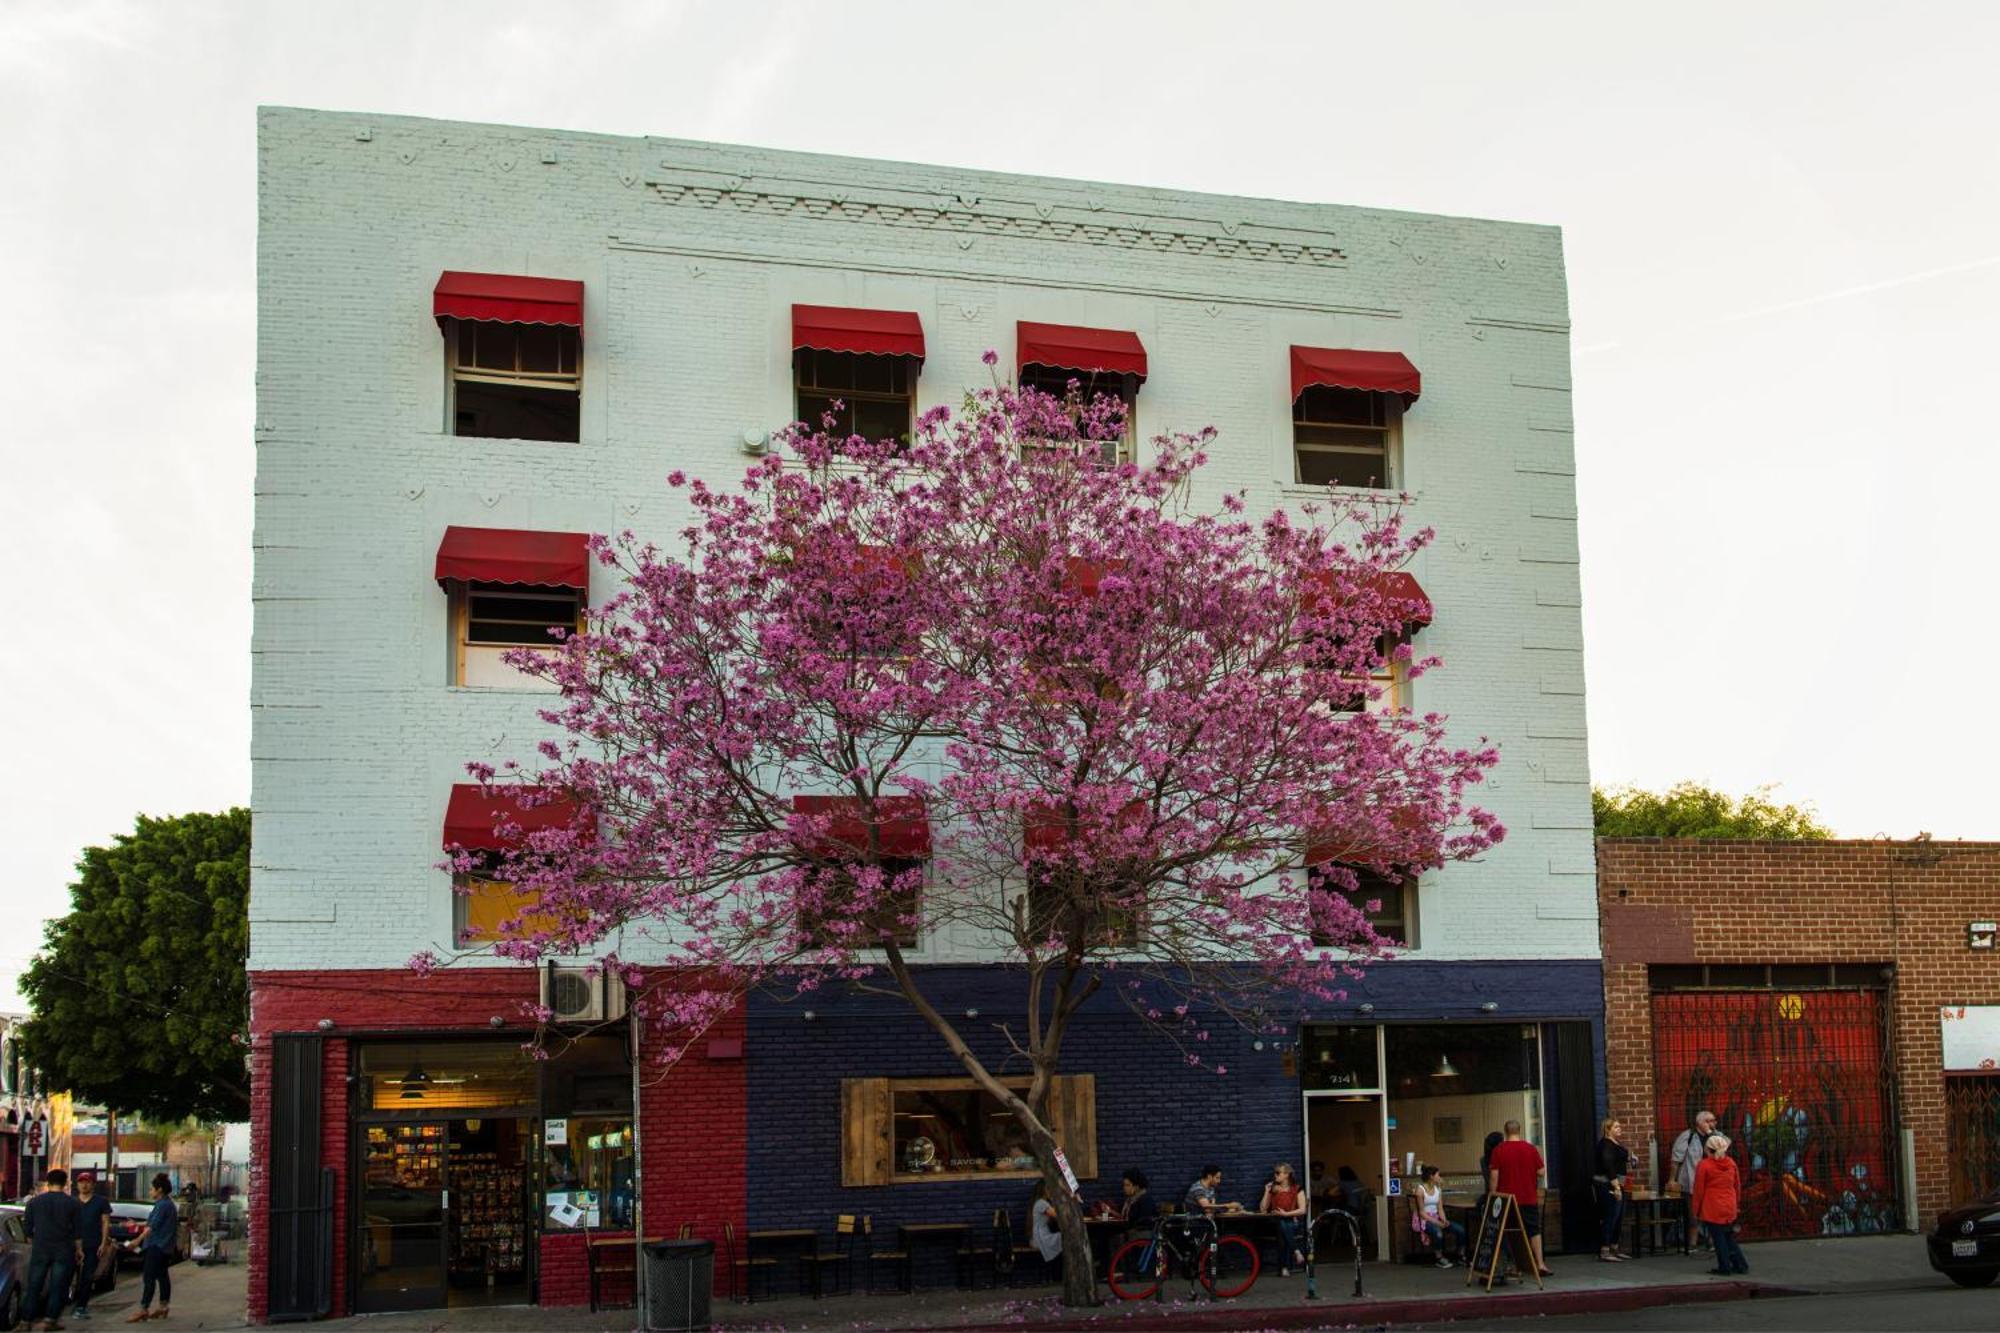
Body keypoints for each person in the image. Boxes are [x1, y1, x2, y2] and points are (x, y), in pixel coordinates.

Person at [1487, 1119, 1552, 1277]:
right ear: (1519, 1131)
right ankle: (1540, 1264)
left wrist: (1492, 1195)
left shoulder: (1498, 1150)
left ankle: (1511, 1265)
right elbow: (1542, 1171)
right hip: (1528, 1197)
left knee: (1506, 1232)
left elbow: (1494, 1176)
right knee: (1533, 1230)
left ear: (1506, 1132)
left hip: (1506, 1199)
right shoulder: (1530, 1149)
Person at [23, 1167, 83, 1330]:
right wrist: (79, 1250)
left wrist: (34, 1241)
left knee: (34, 1285)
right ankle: (50, 1320)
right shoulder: (73, 1203)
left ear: (48, 1183)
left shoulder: (34, 1202)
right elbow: (77, 1230)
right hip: (64, 1249)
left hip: (41, 1247)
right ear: (65, 1184)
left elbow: (27, 1229)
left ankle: (26, 1321)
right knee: (58, 1286)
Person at [127, 1173, 179, 1324]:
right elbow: (151, 1222)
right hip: (165, 1246)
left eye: (152, 1189)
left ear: (159, 1189)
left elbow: (152, 1226)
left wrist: (137, 1240)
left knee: (148, 1277)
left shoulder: (163, 1205)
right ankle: (163, 1306)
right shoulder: (166, 1204)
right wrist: (135, 1224)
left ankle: (144, 1308)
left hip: (157, 1245)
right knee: (162, 1276)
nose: (150, 1191)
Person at [1692, 1135, 1748, 1276]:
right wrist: (1737, 1203)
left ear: (1707, 1149)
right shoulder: (1731, 1163)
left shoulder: (1704, 1165)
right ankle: (1740, 1264)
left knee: (1719, 1238)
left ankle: (1724, 1266)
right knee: (1728, 1236)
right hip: (1729, 1203)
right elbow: (1737, 1185)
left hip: (1712, 1206)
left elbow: (1699, 1189)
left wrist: (1696, 1210)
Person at [1671, 1109, 1718, 1247]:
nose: (1711, 1123)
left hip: (1712, 1183)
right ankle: (1693, 1243)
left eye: (1713, 1120)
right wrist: (1672, 1179)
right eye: (1708, 1121)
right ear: (1699, 1122)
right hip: (1692, 1181)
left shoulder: (1717, 1136)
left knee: (1712, 1214)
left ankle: (1713, 1242)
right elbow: (1676, 1160)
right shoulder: (1688, 1136)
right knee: (1693, 1216)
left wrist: (1710, 1133)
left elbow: (1724, 1148)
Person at [72, 1170, 115, 1319]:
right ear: (77, 1184)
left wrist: (103, 1243)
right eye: (81, 1182)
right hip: (72, 1245)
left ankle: (81, 1306)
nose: (84, 1185)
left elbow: (105, 1222)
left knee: (87, 1276)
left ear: (93, 1184)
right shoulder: (72, 1201)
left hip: (93, 1243)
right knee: (69, 1275)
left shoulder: (101, 1201)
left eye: (87, 1182)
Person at [1413, 1164, 1466, 1268]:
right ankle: (1439, 1257)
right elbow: (1421, 1212)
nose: (1440, 1177)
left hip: (1436, 1216)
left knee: (1460, 1230)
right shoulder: (1420, 1190)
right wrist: (1437, 1223)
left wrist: (1444, 1220)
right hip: (1424, 1219)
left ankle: (1460, 1255)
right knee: (1438, 1232)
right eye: (1438, 1175)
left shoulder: (1438, 1190)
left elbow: (1440, 1208)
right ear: (1431, 1177)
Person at [1259, 1162, 1308, 1274]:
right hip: (1273, 1222)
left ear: (1287, 1174)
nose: (1275, 1175)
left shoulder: (1297, 1188)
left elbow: (1303, 1210)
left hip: (1291, 1220)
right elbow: (1263, 1209)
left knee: (1283, 1225)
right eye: (1275, 1173)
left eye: (1278, 1173)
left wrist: (1286, 1214)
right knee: (1281, 1223)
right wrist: (1267, 1191)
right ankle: (1295, 1252)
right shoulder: (1273, 1189)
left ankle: (1284, 1267)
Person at [1594, 1118, 1632, 1262]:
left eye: (1619, 1126)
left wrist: (1630, 1158)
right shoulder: (1605, 1145)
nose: (1619, 1128)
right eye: (1616, 1127)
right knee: (1611, 1216)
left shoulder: (1616, 1144)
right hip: (1609, 1184)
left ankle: (1615, 1248)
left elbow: (1622, 1158)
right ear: (1607, 1129)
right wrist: (1616, 1187)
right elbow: (1608, 1166)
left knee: (1619, 1217)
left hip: (1620, 1183)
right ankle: (1605, 1251)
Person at [1028, 1180, 1064, 1275]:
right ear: (1045, 1190)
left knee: (1064, 1238)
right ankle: (1061, 1272)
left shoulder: (1041, 1202)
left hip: (1041, 1235)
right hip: (1040, 1237)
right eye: (1050, 1189)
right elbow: (1058, 1215)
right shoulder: (1041, 1203)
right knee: (1065, 1238)